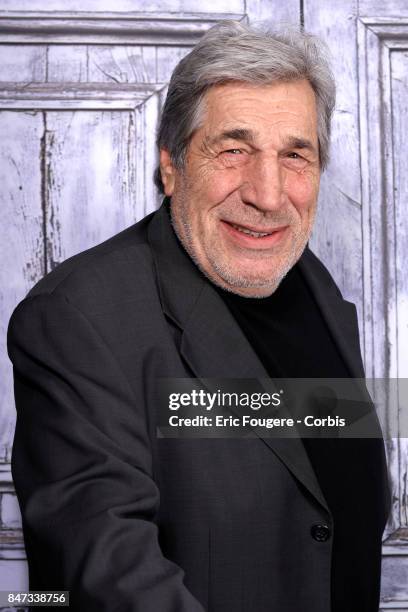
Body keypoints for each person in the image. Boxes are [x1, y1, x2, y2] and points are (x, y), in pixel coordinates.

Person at [8, 20, 390, 612]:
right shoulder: (76, 318)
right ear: (172, 166)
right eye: (234, 150)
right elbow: (102, 580)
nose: (268, 194)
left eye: (295, 154)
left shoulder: (314, 287)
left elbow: (321, 502)